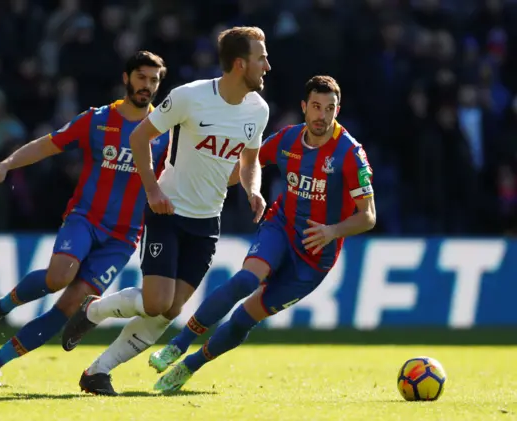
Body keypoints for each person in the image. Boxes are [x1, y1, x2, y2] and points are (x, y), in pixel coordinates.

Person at [60, 26, 271, 395]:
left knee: (171, 311)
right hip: (168, 213)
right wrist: (153, 189)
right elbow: (139, 137)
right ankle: (94, 311)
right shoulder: (190, 97)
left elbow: (250, 160)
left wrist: (253, 188)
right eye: (261, 57)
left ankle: (97, 372)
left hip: (207, 222)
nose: (267, 65)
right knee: (156, 301)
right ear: (240, 64)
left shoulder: (258, 110)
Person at [150, 75, 377, 392]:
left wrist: (332, 231)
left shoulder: (350, 154)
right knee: (245, 279)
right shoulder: (287, 140)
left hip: (314, 257)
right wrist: (205, 182)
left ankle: (189, 367)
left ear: (338, 110)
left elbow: (368, 216)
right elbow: (247, 164)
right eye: (315, 107)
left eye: (329, 108)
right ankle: (179, 343)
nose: (321, 116)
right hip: (282, 226)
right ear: (303, 107)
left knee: (244, 319)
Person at [0, 51, 170, 387]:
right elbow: (49, 145)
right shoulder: (98, 119)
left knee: (71, 304)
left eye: (154, 80)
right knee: (59, 276)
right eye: (142, 77)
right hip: (85, 218)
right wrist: (5, 165)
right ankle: (0, 308)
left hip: (123, 236)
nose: (147, 86)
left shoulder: (164, 131)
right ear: (126, 78)